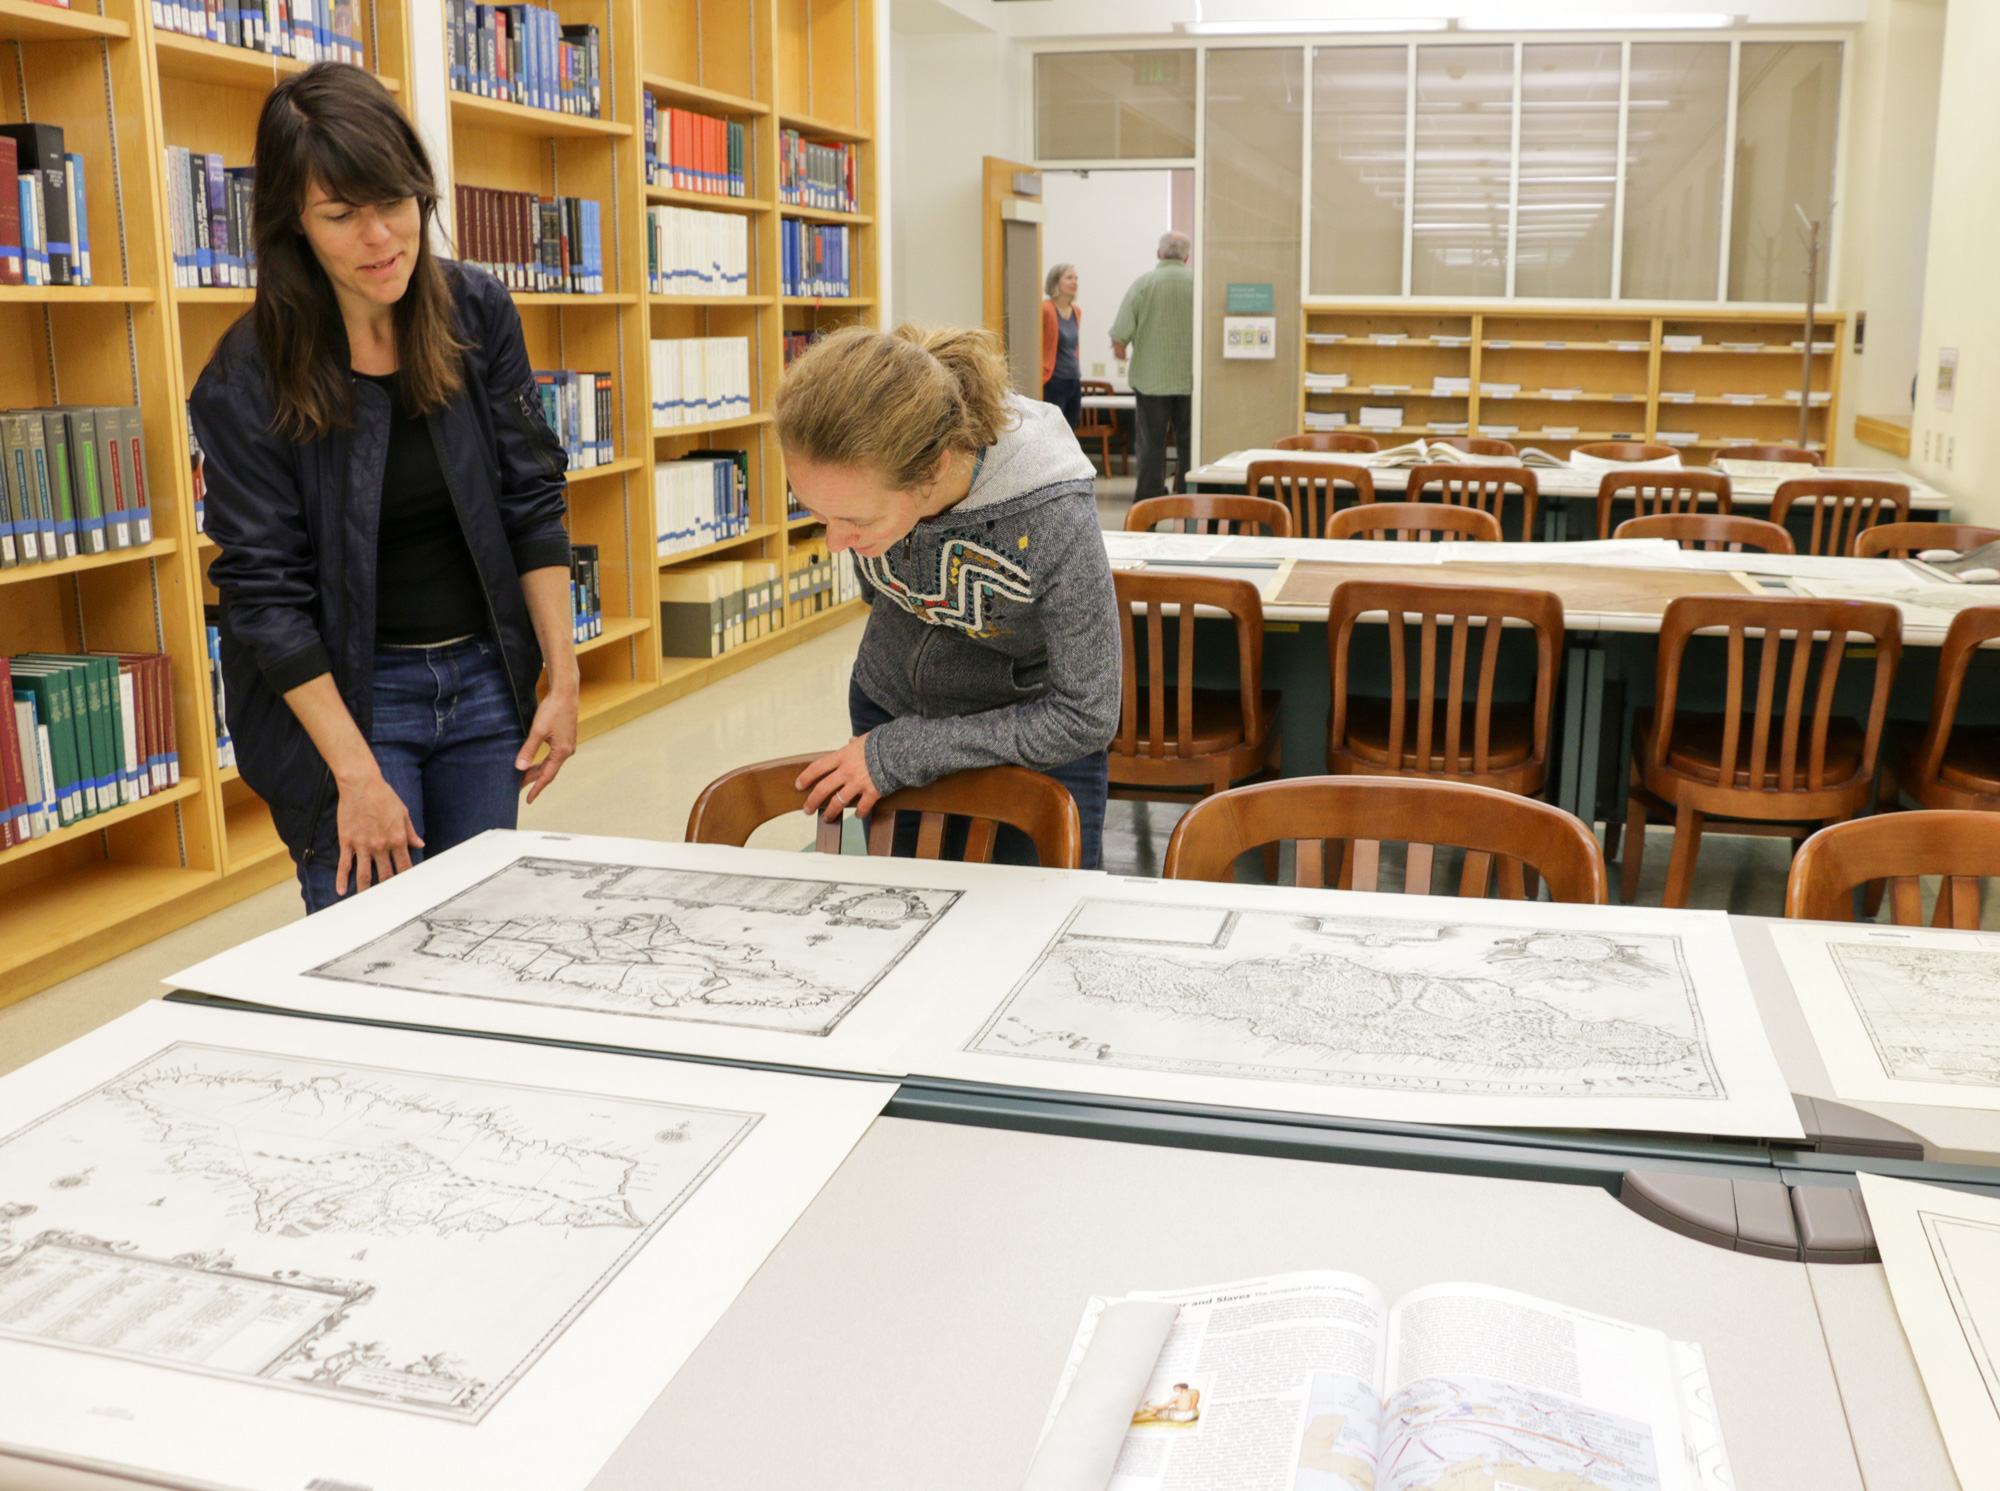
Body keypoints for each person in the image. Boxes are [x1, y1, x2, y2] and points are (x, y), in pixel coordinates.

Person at [194, 63, 579, 914]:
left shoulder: (476, 312)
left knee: (481, 936)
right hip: (350, 707)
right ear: (294, 222)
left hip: (484, 686)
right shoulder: (246, 375)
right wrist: (355, 773)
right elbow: (263, 595)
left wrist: (561, 675)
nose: (380, 239)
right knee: (370, 953)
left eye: (396, 203)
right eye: (341, 215)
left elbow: (532, 495)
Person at [777, 324, 1120, 870]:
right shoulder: (865, 465)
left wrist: (906, 751)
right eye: (818, 515)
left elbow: (1087, 714)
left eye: (855, 521)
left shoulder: (1053, 513)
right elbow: (881, 594)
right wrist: (898, 743)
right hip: (890, 707)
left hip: (1036, 737)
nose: (835, 543)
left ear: (934, 469)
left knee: (1030, 931)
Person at [1108, 231, 1195, 502]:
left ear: (1159, 254)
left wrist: (1121, 353)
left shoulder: (1143, 284)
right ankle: (1188, 498)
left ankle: (1149, 503)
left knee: (1151, 447)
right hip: (1191, 381)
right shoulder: (1198, 283)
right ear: (1187, 256)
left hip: (1151, 380)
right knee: (1190, 444)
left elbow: (1120, 334)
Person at [1040, 262, 1082, 429]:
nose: (1074, 282)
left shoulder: (1076, 311)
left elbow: (1073, 347)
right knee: (1052, 430)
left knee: (1071, 430)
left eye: (1076, 278)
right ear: (1055, 282)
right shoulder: (1046, 309)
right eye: (1069, 278)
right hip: (1053, 381)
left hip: (1074, 380)